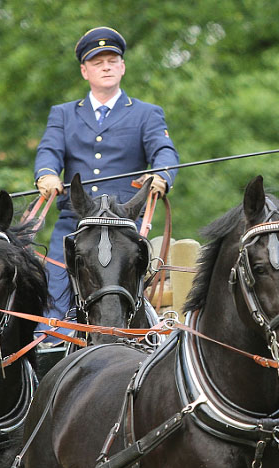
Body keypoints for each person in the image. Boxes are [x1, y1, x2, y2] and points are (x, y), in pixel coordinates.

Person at [34, 26, 179, 333]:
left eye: (112, 60)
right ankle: (53, 342)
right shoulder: (63, 114)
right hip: (75, 222)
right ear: (85, 71)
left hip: (123, 226)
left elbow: (164, 150)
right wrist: (46, 173)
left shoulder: (146, 114)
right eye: (98, 62)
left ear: (122, 67)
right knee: (55, 287)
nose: (106, 67)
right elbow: (49, 150)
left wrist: (162, 174)